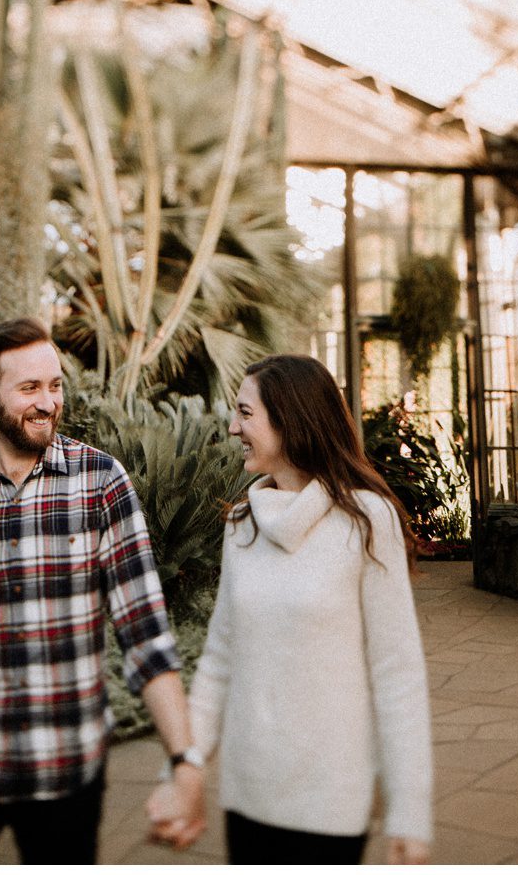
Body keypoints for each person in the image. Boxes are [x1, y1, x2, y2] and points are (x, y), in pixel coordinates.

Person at [0, 317, 207, 863]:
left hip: (67, 764)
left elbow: (146, 636)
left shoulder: (102, 483)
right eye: (29, 388)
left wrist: (184, 761)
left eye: (54, 385)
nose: (47, 402)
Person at [148, 353, 434, 864]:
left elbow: (398, 672)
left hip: (330, 801)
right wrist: (184, 771)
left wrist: (409, 811)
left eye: (246, 413)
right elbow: (219, 660)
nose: (233, 427)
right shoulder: (242, 523)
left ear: (291, 419)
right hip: (249, 796)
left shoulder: (368, 520)